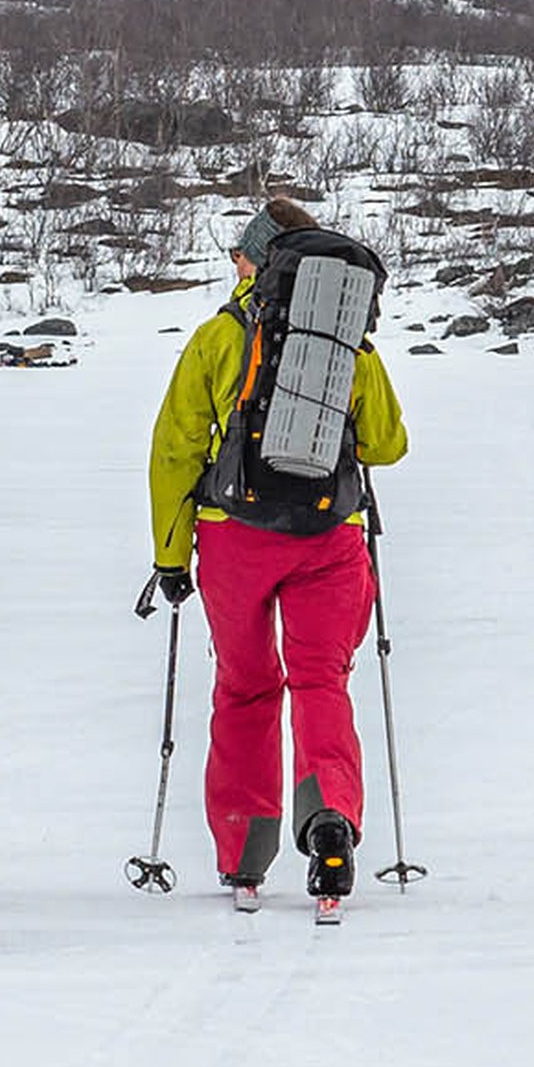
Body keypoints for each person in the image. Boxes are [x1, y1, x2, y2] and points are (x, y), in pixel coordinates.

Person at [146, 198, 408, 906]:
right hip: (330, 538)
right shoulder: (346, 337)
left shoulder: (219, 335)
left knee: (244, 686)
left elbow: (175, 449)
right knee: (321, 681)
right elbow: (386, 443)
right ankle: (330, 826)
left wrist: (171, 558)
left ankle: (243, 851)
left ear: (256, 259)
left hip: (234, 537)